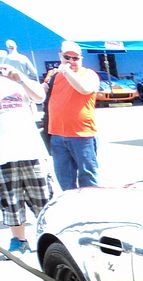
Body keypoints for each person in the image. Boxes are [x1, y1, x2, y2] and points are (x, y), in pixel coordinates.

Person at [0, 61, 53, 259]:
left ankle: (50, 238)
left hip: (31, 150)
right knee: (11, 201)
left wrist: (20, 79)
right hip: (4, 154)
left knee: (43, 199)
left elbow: (40, 96)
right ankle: (19, 241)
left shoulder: (19, 81)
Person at [45, 41, 100, 190]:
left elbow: (84, 89)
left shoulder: (89, 74)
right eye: (67, 57)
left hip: (82, 135)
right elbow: (39, 95)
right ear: (60, 56)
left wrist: (67, 71)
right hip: (57, 135)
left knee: (88, 179)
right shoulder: (54, 76)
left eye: (75, 58)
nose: (71, 61)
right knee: (65, 180)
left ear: (81, 59)